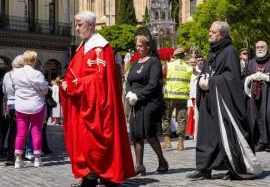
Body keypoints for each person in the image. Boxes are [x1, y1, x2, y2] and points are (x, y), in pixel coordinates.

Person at [60, 11, 135, 186]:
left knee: (95, 143)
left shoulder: (101, 47)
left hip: (98, 106)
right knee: (85, 143)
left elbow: (102, 81)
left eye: (80, 24)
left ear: (91, 25)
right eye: (76, 24)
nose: (77, 28)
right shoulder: (83, 46)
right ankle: (90, 174)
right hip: (83, 104)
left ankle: (103, 174)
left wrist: (76, 85)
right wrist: (67, 83)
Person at [187, 21, 261, 180]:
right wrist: (202, 79)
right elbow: (209, 71)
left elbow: (232, 78)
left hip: (224, 103)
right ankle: (203, 168)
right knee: (207, 135)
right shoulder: (212, 52)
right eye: (210, 31)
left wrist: (212, 82)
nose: (210, 34)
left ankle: (234, 168)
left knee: (226, 135)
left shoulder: (230, 51)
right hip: (210, 100)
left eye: (213, 32)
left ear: (223, 34)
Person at [125, 27, 169, 176]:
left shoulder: (154, 62)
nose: (139, 49)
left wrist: (139, 95)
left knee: (149, 134)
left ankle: (162, 161)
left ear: (148, 46)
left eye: (141, 46)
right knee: (136, 134)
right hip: (135, 102)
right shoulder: (136, 62)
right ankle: (139, 165)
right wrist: (129, 92)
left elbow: (153, 84)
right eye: (137, 46)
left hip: (150, 102)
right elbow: (129, 79)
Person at [12, 50, 49, 168]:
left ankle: (18, 160)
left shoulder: (15, 73)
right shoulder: (37, 74)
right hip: (36, 106)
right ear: (34, 60)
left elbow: (14, 87)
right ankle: (37, 159)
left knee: (20, 133)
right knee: (36, 132)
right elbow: (45, 90)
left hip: (21, 105)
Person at [162, 47, 193, 150]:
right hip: (183, 96)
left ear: (174, 56)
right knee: (182, 120)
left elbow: (163, 78)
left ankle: (167, 142)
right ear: (183, 56)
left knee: (166, 118)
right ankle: (181, 143)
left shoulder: (168, 65)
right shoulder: (188, 67)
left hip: (169, 96)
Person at [2, 55, 24, 166]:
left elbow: (4, 91)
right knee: (20, 132)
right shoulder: (22, 74)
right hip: (21, 104)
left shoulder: (7, 75)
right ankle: (17, 156)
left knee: (12, 130)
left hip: (10, 105)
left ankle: (10, 156)